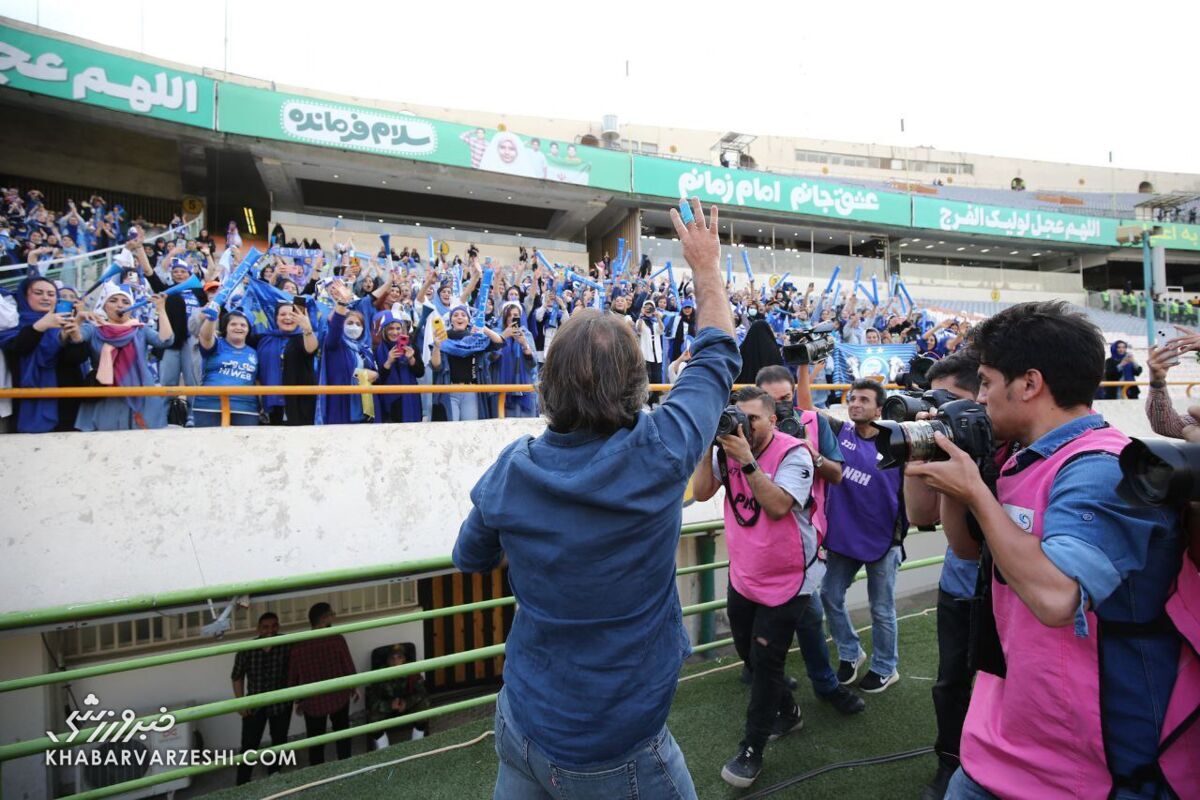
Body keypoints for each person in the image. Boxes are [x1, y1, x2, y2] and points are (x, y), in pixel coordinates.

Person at [452, 198, 736, 799]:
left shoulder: (512, 471)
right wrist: (705, 267)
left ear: (546, 384)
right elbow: (716, 356)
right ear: (638, 385)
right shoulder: (661, 450)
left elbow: (469, 559)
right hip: (613, 746)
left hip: (522, 721)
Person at [906, 301, 1194, 800]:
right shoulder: (1020, 455)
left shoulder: (1100, 467)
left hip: (1087, 760)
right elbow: (967, 547)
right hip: (1008, 728)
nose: (981, 398)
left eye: (988, 383)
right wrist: (945, 470)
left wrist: (977, 492)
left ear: (1029, 384)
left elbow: (1057, 598)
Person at [691, 386, 819, 787]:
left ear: (773, 420)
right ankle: (789, 712)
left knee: (766, 664)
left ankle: (752, 748)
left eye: (754, 420)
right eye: (737, 418)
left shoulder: (794, 452)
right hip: (745, 573)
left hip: (788, 577)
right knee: (748, 652)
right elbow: (700, 492)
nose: (744, 427)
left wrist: (746, 461)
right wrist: (707, 444)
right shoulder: (724, 448)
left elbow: (779, 505)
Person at [755, 365, 866, 717]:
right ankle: (780, 686)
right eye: (772, 403)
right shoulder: (748, 429)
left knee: (809, 613)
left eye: (786, 399)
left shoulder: (814, 422)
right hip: (756, 540)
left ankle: (823, 684)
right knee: (755, 622)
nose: (781, 409)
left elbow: (837, 474)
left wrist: (810, 453)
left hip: (801, 538)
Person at [900, 350, 985, 800]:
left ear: (981, 398)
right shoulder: (949, 436)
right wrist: (920, 445)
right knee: (951, 682)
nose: (937, 410)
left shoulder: (1006, 443)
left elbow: (966, 545)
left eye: (949, 400)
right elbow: (919, 513)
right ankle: (948, 762)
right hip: (959, 587)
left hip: (1004, 589)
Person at [819, 379, 906, 694]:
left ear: (879, 409)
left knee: (881, 608)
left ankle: (885, 667)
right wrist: (804, 363)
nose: (856, 404)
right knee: (828, 594)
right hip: (845, 537)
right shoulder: (839, 432)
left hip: (884, 540)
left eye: (864, 400)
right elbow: (805, 410)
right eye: (852, 398)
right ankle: (850, 652)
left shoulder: (898, 443)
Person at [75, 285, 173, 431]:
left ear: (132, 308)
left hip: (140, 394)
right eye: (113, 300)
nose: (120, 305)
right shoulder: (93, 330)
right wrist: (79, 318)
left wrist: (162, 310)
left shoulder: (141, 329)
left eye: (125, 302)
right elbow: (73, 339)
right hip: (105, 397)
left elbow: (166, 341)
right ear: (104, 306)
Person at [0, 277, 88, 432]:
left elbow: (76, 359)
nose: (46, 298)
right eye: (38, 293)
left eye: (51, 294)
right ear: (25, 296)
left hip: (66, 404)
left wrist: (75, 337)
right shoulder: (11, 323)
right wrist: (41, 325)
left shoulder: (65, 322)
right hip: (26, 403)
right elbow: (18, 348)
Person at [287, 603, 358, 767]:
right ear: (324, 618)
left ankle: (318, 773)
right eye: (331, 614)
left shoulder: (299, 645)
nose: (334, 617)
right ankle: (346, 767)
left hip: (313, 702)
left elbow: (293, 675)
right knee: (342, 735)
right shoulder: (336, 639)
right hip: (338, 697)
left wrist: (297, 700)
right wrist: (354, 687)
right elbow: (347, 665)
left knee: (316, 741)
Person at [231, 612, 291, 785]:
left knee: (279, 741)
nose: (270, 630)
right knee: (249, 744)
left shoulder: (286, 644)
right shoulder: (247, 649)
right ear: (258, 629)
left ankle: (274, 774)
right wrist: (240, 703)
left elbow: (296, 667)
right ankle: (242, 783)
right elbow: (237, 676)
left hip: (280, 704)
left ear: (278, 627)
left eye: (274, 626)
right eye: (265, 627)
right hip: (254, 704)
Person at [318, 280, 378, 424]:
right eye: (349, 323)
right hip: (341, 407)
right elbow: (335, 327)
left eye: (358, 324)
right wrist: (342, 303)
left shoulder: (366, 349)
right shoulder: (335, 344)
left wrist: (374, 375)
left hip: (364, 408)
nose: (354, 327)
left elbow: (375, 372)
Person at [194, 306, 259, 427]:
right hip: (209, 405)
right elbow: (205, 337)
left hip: (245, 408)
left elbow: (258, 381)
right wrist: (211, 319)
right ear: (226, 328)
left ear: (248, 329)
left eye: (243, 325)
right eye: (233, 324)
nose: (238, 327)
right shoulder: (217, 344)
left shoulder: (254, 352)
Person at [257, 301, 319, 426]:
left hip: (299, 402)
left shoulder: (305, 337)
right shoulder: (264, 338)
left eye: (292, 314)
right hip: (272, 402)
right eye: (282, 314)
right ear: (276, 319)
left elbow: (311, 349)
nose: (287, 318)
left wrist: (307, 329)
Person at [365, 645, 430, 746]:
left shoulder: (412, 671)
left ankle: (417, 744)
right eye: (392, 658)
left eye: (399, 657)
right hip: (387, 708)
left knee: (424, 706)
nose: (396, 662)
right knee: (373, 718)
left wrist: (407, 703)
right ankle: (384, 749)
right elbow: (371, 700)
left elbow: (422, 693)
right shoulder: (380, 674)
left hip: (407, 706)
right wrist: (389, 705)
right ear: (387, 660)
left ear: (404, 659)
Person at [373, 311, 425, 424]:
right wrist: (388, 362)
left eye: (398, 328)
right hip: (389, 403)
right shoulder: (377, 350)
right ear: (384, 330)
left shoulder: (411, 347)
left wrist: (411, 359)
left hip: (410, 398)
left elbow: (420, 373)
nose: (395, 332)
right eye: (391, 328)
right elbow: (377, 381)